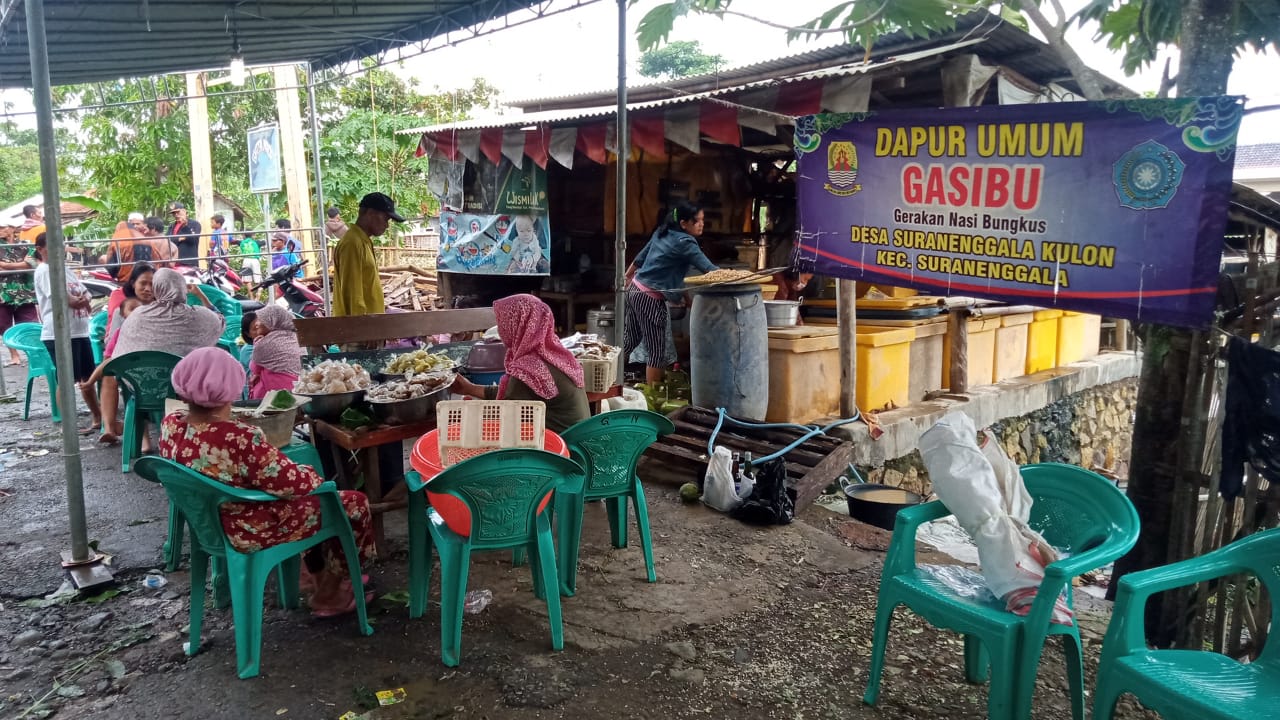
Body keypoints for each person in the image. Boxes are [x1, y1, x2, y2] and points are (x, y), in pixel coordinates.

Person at [160, 348, 376, 616]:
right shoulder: (238, 436)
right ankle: (330, 594)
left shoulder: (172, 425)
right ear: (230, 388)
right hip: (248, 527)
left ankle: (319, 577)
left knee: (312, 500)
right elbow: (293, 484)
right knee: (350, 503)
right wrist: (312, 474)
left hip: (209, 522)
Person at [450, 294, 589, 433]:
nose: (500, 329)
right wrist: (469, 388)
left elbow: (504, 415)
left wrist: (470, 407)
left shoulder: (529, 369)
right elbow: (512, 390)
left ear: (517, 325)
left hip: (560, 447)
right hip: (580, 441)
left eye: (502, 323)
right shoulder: (556, 354)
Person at [623, 202, 718, 384]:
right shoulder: (686, 243)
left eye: (702, 220)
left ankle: (611, 381)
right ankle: (652, 399)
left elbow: (640, 259)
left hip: (635, 289)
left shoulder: (662, 232)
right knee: (657, 352)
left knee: (629, 341)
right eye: (697, 221)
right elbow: (710, 270)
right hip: (649, 298)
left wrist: (626, 277)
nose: (701, 224)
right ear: (684, 223)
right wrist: (735, 277)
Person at [32, 233, 102, 433]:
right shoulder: (45, 271)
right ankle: (68, 425)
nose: (59, 250)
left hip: (79, 330)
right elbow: (63, 297)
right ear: (40, 249)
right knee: (67, 379)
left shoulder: (66, 269)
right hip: (59, 333)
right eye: (54, 245)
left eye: (61, 245)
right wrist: (77, 299)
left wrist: (81, 299)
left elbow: (86, 293)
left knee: (87, 378)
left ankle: (97, 417)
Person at [89, 263, 156, 444]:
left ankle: (142, 436)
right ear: (133, 283)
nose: (148, 288)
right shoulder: (126, 308)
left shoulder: (161, 307)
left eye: (152, 283)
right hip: (126, 358)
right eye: (143, 283)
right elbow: (114, 344)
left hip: (154, 359)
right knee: (110, 373)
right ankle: (109, 428)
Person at [112, 268, 225, 358]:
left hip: (140, 383)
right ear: (182, 288)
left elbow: (120, 354)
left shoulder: (137, 314)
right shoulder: (198, 315)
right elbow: (220, 320)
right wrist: (201, 295)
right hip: (185, 382)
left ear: (156, 289)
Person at [333, 192, 402, 317]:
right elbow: (352, 295)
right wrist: (361, 331)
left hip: (369, 326)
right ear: (370, 213)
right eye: (385, 219)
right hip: (360, 329)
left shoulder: (362, 241)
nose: (386, 225)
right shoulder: (352, 244)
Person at [0, 225, 38, 366]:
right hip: (3, 292)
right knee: (3, 325)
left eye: (3, 227)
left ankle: (33, 354)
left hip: (25, 292)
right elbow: (26, 264)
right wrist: (20, 265)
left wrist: (5, 265)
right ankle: (14, 355)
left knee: (30, 324)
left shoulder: (25, 244)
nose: (0, 230)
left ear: (12, 228)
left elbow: (32, 263)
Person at [248, 305, 302, 399]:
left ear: (273, 321)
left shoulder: (268, 342)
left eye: (261, 319)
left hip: (277, 396)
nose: (257, 323)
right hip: (297, 389)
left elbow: (254, 368)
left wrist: (257, 344)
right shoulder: (294, 336)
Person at [103, 214, 176, 281]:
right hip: (150, 275)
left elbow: (111, 267)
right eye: (133, 224)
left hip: (127, 278)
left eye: (137, 224)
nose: (135, 226)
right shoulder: (150, 241)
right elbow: (163, 261)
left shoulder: (118, 240)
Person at [166, 202, 202, 267]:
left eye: (178, 212)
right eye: (174, 213)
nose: (176, 215)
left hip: (188, 261)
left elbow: (193, 239)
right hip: (174, 261)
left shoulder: (194, 224)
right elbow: (167, 241)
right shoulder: (172, 226)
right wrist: (180, 238)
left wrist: (185, 226)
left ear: (184, 211)